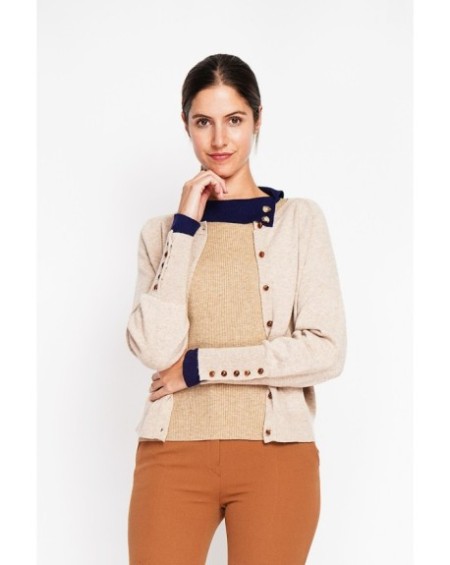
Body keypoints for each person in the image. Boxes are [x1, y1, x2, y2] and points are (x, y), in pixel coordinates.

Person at [126, 53, 346, 565]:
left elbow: (326, 350)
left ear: (258, 120)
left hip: (276, 457)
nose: (220, 140)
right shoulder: (162, 233)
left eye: (234, 120)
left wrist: (200, 367)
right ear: (186, 125)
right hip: (172, 453)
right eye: (203, 122)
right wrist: (185, 226)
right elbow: (154, 348)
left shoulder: (299, 222)